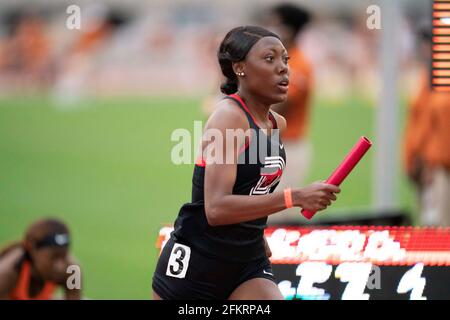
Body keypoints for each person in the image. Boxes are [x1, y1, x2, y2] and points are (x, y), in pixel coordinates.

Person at [152, 26, 340, 300]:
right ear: (240, 68)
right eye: (269, 59)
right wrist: (295, 197)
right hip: (199, 264)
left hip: (247, 261)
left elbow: (253, 187)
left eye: (285, 60)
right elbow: (215, 208)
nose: (283, 68)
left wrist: (256, 233)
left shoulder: (276, 124)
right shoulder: (229, 117)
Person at [262, 4, 314, 224]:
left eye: (275, 23)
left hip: (287, 147)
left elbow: (278, 106)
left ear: (289, 29)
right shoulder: (277, 61)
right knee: (262, 216)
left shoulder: (298, 64)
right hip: (268, 145)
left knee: (279, 218)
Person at [403, 26, 450, 226]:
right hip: (433, 163)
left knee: (441, 227)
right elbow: (423, 123)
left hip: (442, 163)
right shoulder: (429, 76)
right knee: (433, 224)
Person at [0, 218, 81, 300]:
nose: (60, 266)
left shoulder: (72, 270)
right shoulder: (7, 273)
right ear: (32, 248)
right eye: (53, 258)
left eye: (64, 256)